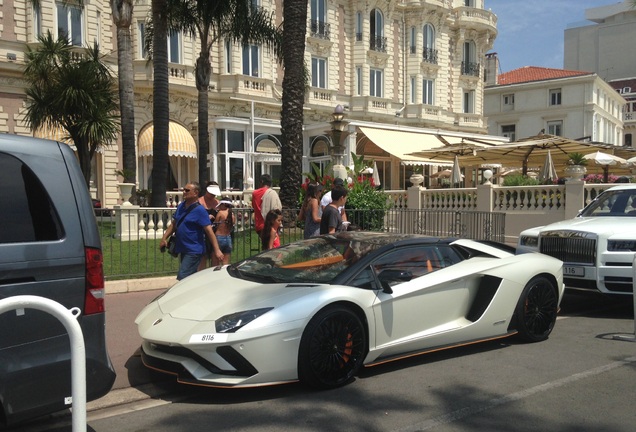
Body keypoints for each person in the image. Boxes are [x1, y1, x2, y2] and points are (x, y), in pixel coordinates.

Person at [160, 182, 224, 280]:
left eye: (187, 190)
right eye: (183, 190)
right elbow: (174, 224)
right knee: (190, 277)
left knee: (183, 276)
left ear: (195, 193)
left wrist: (217, 250)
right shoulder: (181, 206)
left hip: (194, 250)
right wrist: (164, 238)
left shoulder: (200, 210)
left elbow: (209, 231)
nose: (184, 192)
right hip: (183, 248)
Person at [198, 181, 221, 270]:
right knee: (203, 257)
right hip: (202, 233)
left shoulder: (218, 203)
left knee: (215, 256)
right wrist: (205, 217)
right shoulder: (199, 202)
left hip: (215, 234)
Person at [213, 197, 235, 265]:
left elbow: (215, 224)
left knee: (216, 261)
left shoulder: (220, 213)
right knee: (226, 262)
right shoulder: (232, 215)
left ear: (224, 204)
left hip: (219, 237)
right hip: (228, 238)